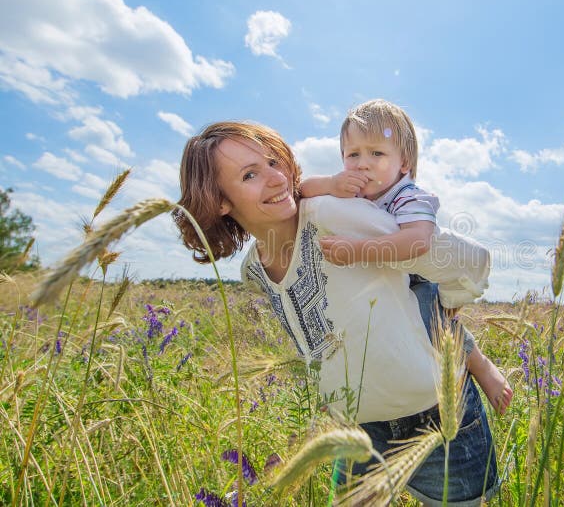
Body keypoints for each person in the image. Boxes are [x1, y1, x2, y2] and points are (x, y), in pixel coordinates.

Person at [173, 121, 499, 505]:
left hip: (439, 415)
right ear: (220, 201)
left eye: (274, 162)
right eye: (249, 175)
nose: (277, 179)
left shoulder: (336, 216)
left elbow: (471, 261)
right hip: (355, 429)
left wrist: (452, 297)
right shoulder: (253, 270)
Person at [300, 99, 513, 414]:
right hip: (380, 281)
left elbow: (418, 241)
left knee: (434, 324)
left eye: (377, 153)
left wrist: (358, 250)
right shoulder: (351, 188)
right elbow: (303, 191)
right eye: (352, 154)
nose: (362, 163)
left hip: (417, 279)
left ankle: (478, 364)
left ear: (404, 163)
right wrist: (331, 183)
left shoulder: (409, 196)